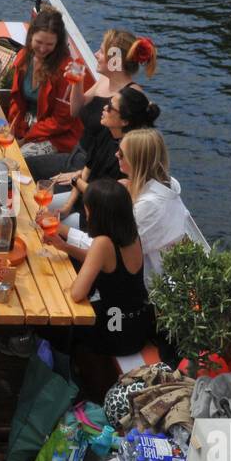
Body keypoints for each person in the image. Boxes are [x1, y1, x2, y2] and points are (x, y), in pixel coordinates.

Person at [53, 128, 189, 283]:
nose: (116, 154)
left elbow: (108, 249)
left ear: (136, 161)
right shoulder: (163, 184)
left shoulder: (150, 206)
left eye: (122, 154)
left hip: (141, 282)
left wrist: (61, 229)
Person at [41, 179, 152, 359]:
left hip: (115, 332)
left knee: (53, 320)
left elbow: (77, 294)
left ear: (98, 214)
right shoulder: (131, 235)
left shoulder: (102, 243)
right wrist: (64, 247)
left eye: (87, 209)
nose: (86, 214)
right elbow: (106, 263)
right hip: (137, 325)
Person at [29, 27, 157, 182]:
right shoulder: (104, 80)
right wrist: (78, 82)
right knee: (24, 166)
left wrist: (80, 177)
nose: (95, 54)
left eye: (102, 52)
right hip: (76, 156)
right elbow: (75, 111)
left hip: (95, 172)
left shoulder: (131, 97)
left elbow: (125, 156)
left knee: (38, 191)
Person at [57, 86, 160, 223]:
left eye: (111, 107)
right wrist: (67, 206)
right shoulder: (107, 132)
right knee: (39, 209)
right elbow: (87, 171)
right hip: (83, 202)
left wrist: (76, 181)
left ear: (124, 121)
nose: (105, 108)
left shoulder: (127, 156)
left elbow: (104, 198)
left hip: (98, 217)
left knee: (46, 225)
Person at [5, 6, 88, 160]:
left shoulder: (68, 69)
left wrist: (26, 139)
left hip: (57, 136)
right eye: (39, 42)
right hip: (28, 126)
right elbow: (16, 100)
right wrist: (13, 128)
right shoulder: (24, 57)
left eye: (49, 45)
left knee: (17, 158)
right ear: (31, 36)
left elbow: (61, 121)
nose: (42, 49)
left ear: (58, 44)